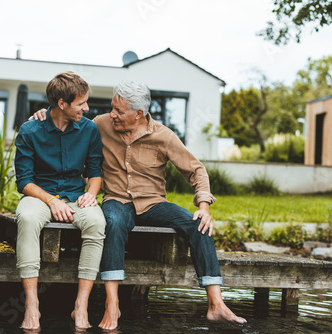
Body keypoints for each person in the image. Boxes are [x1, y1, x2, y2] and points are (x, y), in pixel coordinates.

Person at [33, 80, 246, 330]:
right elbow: (65, 117)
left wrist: (204, 206)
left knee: (198, 224)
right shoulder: (100, 125)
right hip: (117, 201)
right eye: (112, 108)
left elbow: (196, 170)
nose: (112, 114)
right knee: (111, 222)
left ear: (139, 114)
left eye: (119, 111)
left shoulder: (163, 136)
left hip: (154, 204)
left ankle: (216, 304)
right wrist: (41, 115)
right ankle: (112, 304)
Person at [14, 71, 106, 330]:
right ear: (62, 104)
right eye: (81, 103)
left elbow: (95, 172)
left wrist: (91, 193)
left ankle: (81, 305)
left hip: (77, 196)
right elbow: (24, 181)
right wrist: (52, 200)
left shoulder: (88, 129)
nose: (87, 108)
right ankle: (32, 305)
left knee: (97, 223)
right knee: (28, 217)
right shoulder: (30, 130)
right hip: (40, 196)